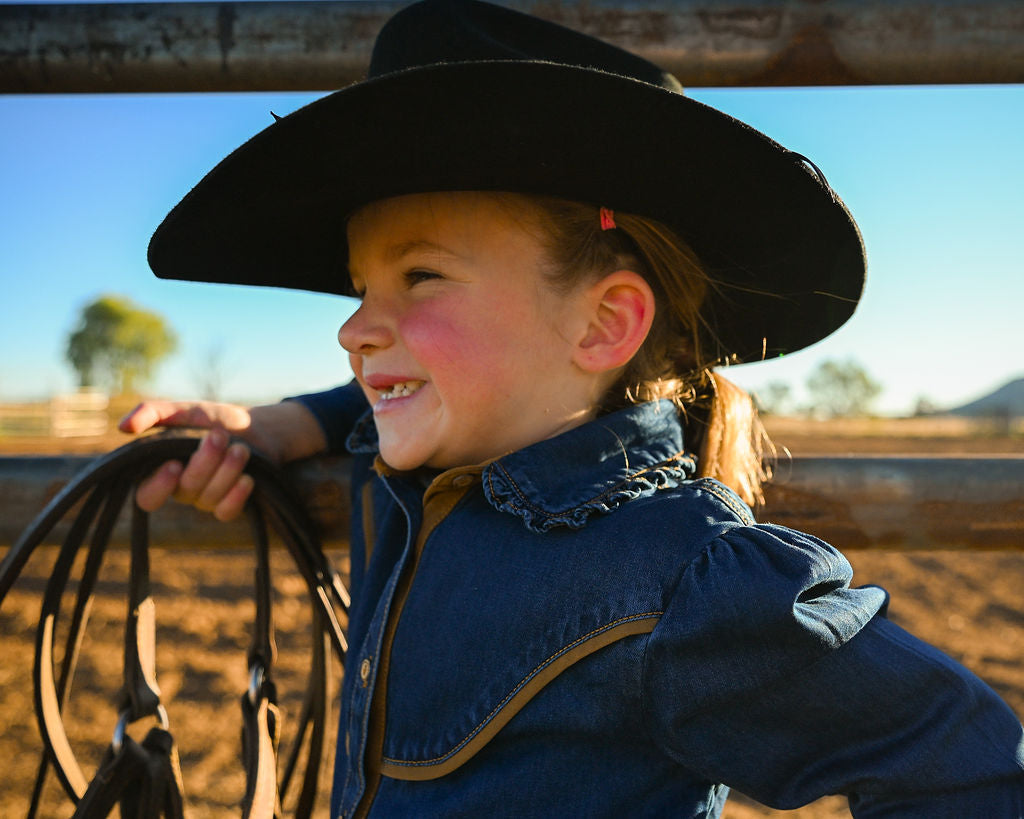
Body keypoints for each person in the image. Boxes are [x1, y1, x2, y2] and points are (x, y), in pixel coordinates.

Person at [120, 0, 1024, 815]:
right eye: (359, 287)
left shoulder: (683, 578)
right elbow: (380, 397)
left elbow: (967, 762)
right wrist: (286, 425)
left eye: (419, 275)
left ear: (603, 324)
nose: (356, 328)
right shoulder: (421, 456)